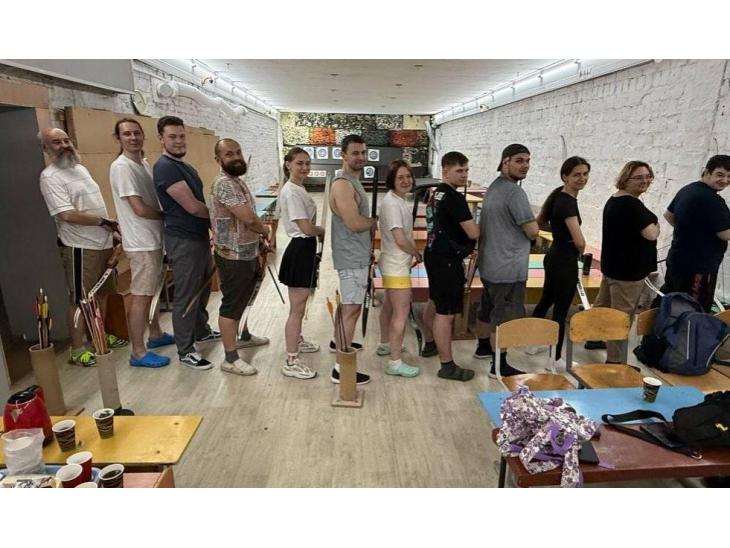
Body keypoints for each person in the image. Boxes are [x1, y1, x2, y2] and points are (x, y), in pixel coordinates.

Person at [38, 127, 127, 367]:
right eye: (57, 142)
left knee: (103, 294)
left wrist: (110, 231)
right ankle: (77, 349)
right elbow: (66, 214)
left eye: (66, 140)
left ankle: (98, 337)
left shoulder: (80, 169)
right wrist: (103, 222)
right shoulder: (50, 177)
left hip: (103, 242)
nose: (64, 145)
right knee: (80, 300)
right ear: (46, 149)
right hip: (79, 246)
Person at [153, 116, 219, 370]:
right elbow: (192, 206)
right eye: (172, 137)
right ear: (161, 139)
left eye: (181, 136)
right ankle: (185, 349)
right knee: (187, 295)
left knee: (202, 289)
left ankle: (201, 331)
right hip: (183, 240)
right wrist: (221, 219)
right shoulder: (165, 168)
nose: (179, 141)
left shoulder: (184, 166)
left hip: (198, 237)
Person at [109, 118, 172, 368]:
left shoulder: (143, 163)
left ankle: (155, 334)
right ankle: (138, 351)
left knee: (152, 291)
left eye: (137, 133)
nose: (133, 138)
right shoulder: (121, 167)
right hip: (141, 242)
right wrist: (169, 215)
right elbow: (139, 208)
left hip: (153, 239)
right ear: (118, 138)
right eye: (127, 134)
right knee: (141, 296)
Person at [475, 143, 538, 377]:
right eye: (519, 160)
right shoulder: (515, 192)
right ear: (505, 162)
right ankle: (499, 366)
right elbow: (532, 230)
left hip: (490, 263)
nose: (525, 165)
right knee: (503, 318)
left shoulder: (494, 187)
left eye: (528, 161)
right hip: (508, 266)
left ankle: (483, 347)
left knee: (487, 308)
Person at [209, 138, 271, 376]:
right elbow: (249, 218)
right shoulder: (224, 184)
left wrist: (258, 241)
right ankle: (230, 358)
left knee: (244, 298)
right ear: (218, 159)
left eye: (238, 152)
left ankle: (243, 335)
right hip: (232, 255)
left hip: (246, 251)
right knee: (232, 304)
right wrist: (265, 230)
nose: (236, 157)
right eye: (229, 154)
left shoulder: (236, 181)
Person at [589, 161, 660, 362]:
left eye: (648, 176)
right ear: (625, 179)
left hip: (614, 266)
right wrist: (656, 226)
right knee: (621, 317)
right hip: (629, 272)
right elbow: (651, 234)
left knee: (603, 307)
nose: (645, 181)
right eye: (638, 177)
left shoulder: (615, 199)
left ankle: (593, 338)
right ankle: (615, 361)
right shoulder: (632, 204)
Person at [423, 151, 479, 381]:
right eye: (459, 170)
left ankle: (430, 343)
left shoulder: (434, 193)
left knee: (435, 301)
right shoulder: (455, 198)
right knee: (445, 314)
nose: (464, 175)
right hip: (447, 260)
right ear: (445, 172)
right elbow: (473, 232)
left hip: (433, 254)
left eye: (466, 170)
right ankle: (447, 365)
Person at [531, 156, 590, 368]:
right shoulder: (568, 203)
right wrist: (578, 248)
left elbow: (542, 222)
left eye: (585, 174)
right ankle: (554, 359)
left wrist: (560, 235)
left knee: (546, 300)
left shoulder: (559, 196)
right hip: (564, 260)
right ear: (565, 176)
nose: (582, 178)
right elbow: (580, 241)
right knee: (561, 309)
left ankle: (533, 343)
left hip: (554, 256)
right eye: (576, 175)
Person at [328, 134, 375, 384]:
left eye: (363, 152)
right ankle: (341, 369)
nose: (360, 157)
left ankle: (339, 345)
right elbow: (355, 223)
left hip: (355, 254)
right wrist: (375, 222)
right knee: (351, 309)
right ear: (343, 155)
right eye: (355, 153)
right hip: (351, 257)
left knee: (348, 307)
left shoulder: (352, 181)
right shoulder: (343, 185)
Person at [660, 155, 730, 312]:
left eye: (729, 177)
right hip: (698, 267)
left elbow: (669, 216)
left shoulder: (688, 189)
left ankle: (659, 329)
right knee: (693, 311)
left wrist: (692, 231)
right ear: (707, 172)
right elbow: (725, 234)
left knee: (670, 303)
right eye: (720, 174)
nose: (725, 180)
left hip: (677, 259)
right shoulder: (713, 200)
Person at [277, 147, 323, 379]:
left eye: (307, 163)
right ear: (288, 165)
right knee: (297, 309)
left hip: (305, 248)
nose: (305, 167)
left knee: (300, 305)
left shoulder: (298, 188)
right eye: (299, 163)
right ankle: (291, 360)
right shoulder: (292, 192)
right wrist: (322, 230)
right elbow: (305, 228)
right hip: (300, 248)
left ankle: (298, 340)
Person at [376, 160, 421, 378]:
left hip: (392, 262)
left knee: (388, 306)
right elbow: (400, 240)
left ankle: (386, 344)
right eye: (400, 177)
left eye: (408, 176)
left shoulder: (396, 200)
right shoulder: (393, 204)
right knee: (401, 313)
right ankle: (395, 362)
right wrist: (417, 253)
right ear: (392, 180)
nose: (405, 181)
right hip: (396, 266)